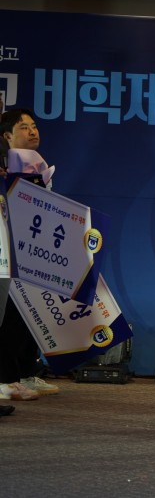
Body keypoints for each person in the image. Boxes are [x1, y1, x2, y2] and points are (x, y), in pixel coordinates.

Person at [0, 108, 60, 401]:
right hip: (7, 252)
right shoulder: (6, 167)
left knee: (29, 314)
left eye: (34, 126)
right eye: (24, 127)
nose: (32, 131)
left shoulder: (36, 164)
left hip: (32, 250)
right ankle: (5, 379)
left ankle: (25, 372)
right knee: (10, 316)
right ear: (7, 136)